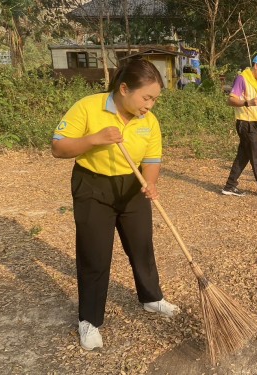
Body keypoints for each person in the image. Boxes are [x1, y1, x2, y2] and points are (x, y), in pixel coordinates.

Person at [51, 59, 180, 351]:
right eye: (146, 97)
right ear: (124, 88)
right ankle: (90, 321)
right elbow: (58, 147)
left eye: (154, 99)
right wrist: (96, 139)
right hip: (92, 185)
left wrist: (150, 183)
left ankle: (151, 298)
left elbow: (152, 159)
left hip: (131, 186)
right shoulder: (89, 107)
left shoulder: (149, 121)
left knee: (142, 245)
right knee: (94, 254)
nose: (150, 105)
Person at [221, 53, 257, 198]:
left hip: (254, 123)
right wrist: (248, 102)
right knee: (256, 156)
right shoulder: (242, 79)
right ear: (256, 66)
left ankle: (229, 185)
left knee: (244, 155)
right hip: (244, 123)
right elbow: (231, 100)